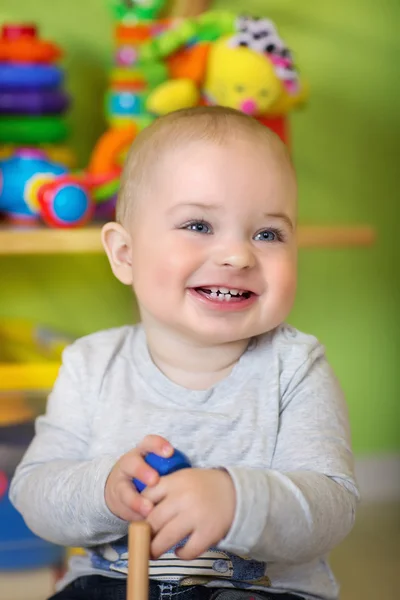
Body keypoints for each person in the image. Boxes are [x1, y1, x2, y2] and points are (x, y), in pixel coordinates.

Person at [10, 107, 358, 600]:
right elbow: (35, 493)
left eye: (268, 234)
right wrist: (104, 489)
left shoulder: (296, 368)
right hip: (109, 584)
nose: (238, 255)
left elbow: (331, 507)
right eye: (198, 225)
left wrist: (237, 500)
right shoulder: (90, 366)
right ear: (125, 254)